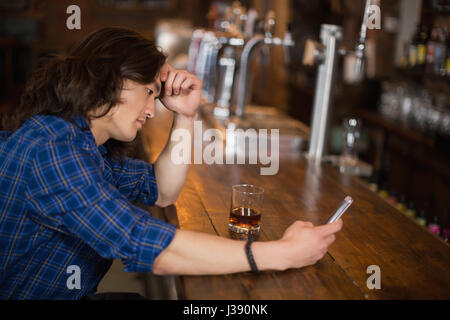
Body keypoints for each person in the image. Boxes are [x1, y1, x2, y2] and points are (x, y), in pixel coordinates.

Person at [0, 27, 342, 300]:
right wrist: (282, 253)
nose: (151, 109)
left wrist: (186, 115)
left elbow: (161, 190)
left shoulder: (84, 143)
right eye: (149, 91)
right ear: (111, 79)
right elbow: (145, 244)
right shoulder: (53, 149)